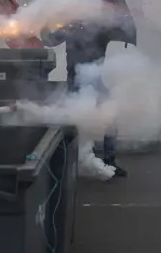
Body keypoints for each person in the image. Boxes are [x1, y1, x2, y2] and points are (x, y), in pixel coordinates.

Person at [44, 23, 128, 178]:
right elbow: (50, 39)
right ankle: (78, 160)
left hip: (95, 78)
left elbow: (117, 33)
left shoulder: (99, 25)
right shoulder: (70, 25)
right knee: (76, 120)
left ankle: (107, 160)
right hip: (77, 80)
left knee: (110, 117)